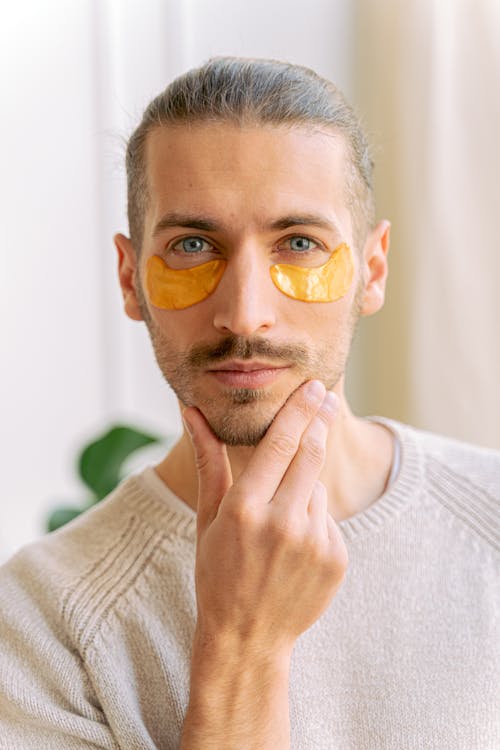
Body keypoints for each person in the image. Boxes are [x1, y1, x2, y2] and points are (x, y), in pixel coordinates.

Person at [0, 57, 498, 750]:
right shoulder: (43, 617)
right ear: (129, 279)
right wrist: (243, 647)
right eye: (193, 245)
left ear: (372, 271)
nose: (244, 314)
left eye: (298, 244)